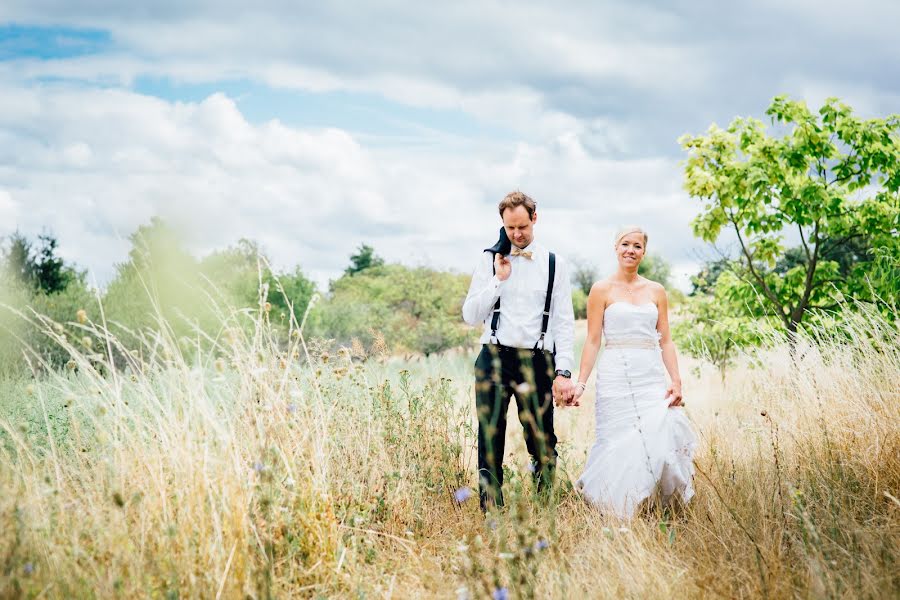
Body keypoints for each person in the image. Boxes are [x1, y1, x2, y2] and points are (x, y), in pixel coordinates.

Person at [572, 226, 696, 519]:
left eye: (637, 246)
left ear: (643, 251)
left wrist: (676, 381)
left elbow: (665, 339)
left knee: (656, 433)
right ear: (616, 248)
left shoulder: (656, 291)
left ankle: (652, 503)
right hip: (615, 372)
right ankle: (613, 505)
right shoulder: (601, 289)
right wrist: (580, 383)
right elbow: (592, 340)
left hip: (649, 373)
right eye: (625, 244)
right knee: (615, 438)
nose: (631, 250)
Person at [463, 191, 576, 511]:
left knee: (542, 439)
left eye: (523, 226)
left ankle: (544, 508)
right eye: (510, 228)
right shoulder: (489, 259)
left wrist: (563, 371)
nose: (517, 234)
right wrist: (497, 281)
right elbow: (470, 315)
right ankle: (491, 511)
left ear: (534, 219)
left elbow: (564, 323)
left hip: (538, 359)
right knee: (490, 436)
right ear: (502, 224)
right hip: (495, 357)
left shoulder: (556, 264)